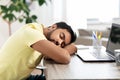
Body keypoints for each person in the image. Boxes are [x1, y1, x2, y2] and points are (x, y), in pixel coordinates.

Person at [0, 22, 77, 80]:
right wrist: (72, 48)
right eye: (61, 36)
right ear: (53, 27)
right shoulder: (32, 33)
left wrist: (67, 49)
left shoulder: (42, 37)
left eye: (63, 44)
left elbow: (48, 56)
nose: (59, 42)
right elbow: (65, 57)